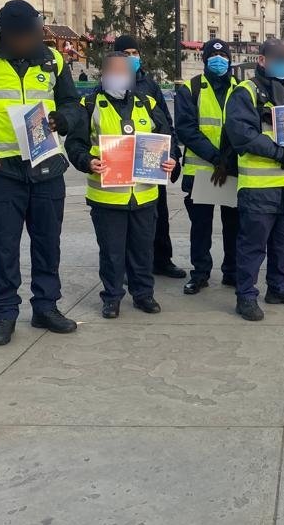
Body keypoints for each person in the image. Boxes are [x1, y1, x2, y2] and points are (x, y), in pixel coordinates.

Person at [0, 0, 82, 346]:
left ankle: (46, 307)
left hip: (46, 164)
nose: (32, 41)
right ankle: (5, 314)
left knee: (47, 242)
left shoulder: (53, 59)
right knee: (3, 246)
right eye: (26, 37)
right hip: (1, 168)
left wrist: (62, 120)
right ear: (5, 34)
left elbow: (72, 104)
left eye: (36, 35)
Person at [65, 53, 175, 318]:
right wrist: (88, 161)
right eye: (114, 71)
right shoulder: (89, 105)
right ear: (103, 75)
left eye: (124, 72)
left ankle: (143, 294)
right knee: (112, 252)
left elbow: (166, 137)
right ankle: (112, 297)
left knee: (142, 249)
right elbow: (74, 144)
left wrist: (171, 161)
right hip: (107, 197)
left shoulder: (146, 103)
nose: (120, 76)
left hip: (144, 195)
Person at [224, 39, 284, 321]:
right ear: (261, 60)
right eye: (281, 58)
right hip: (258, 187)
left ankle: (278, 286)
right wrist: (278, 153)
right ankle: (246, 296)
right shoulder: (245, 92)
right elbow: (242, 135)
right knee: (252, 246)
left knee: (283, 244)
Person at [113, 35, 185, 279]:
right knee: (125, 219)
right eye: (126, 52)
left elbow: (165, 123)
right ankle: (125, 266)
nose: (132, 56)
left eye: (135, 51)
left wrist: (173, 155)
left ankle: (162, 260)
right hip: (120, 161)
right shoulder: (106, 86)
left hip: (150, 159)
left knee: (158, 214)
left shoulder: (150, 86)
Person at [175, 38, 239, 294]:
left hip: (232, 170)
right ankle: (200, 273)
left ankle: (232, 272)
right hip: (200, 170)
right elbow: (187, 130)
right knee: (200, 227)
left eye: (224, 54)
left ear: (230, 58)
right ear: (203, 59)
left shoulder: (241, 88)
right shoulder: (190, 89)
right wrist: (216, 158)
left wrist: (228, 160)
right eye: (213, 55)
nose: (219, 59)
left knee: (233, 225)